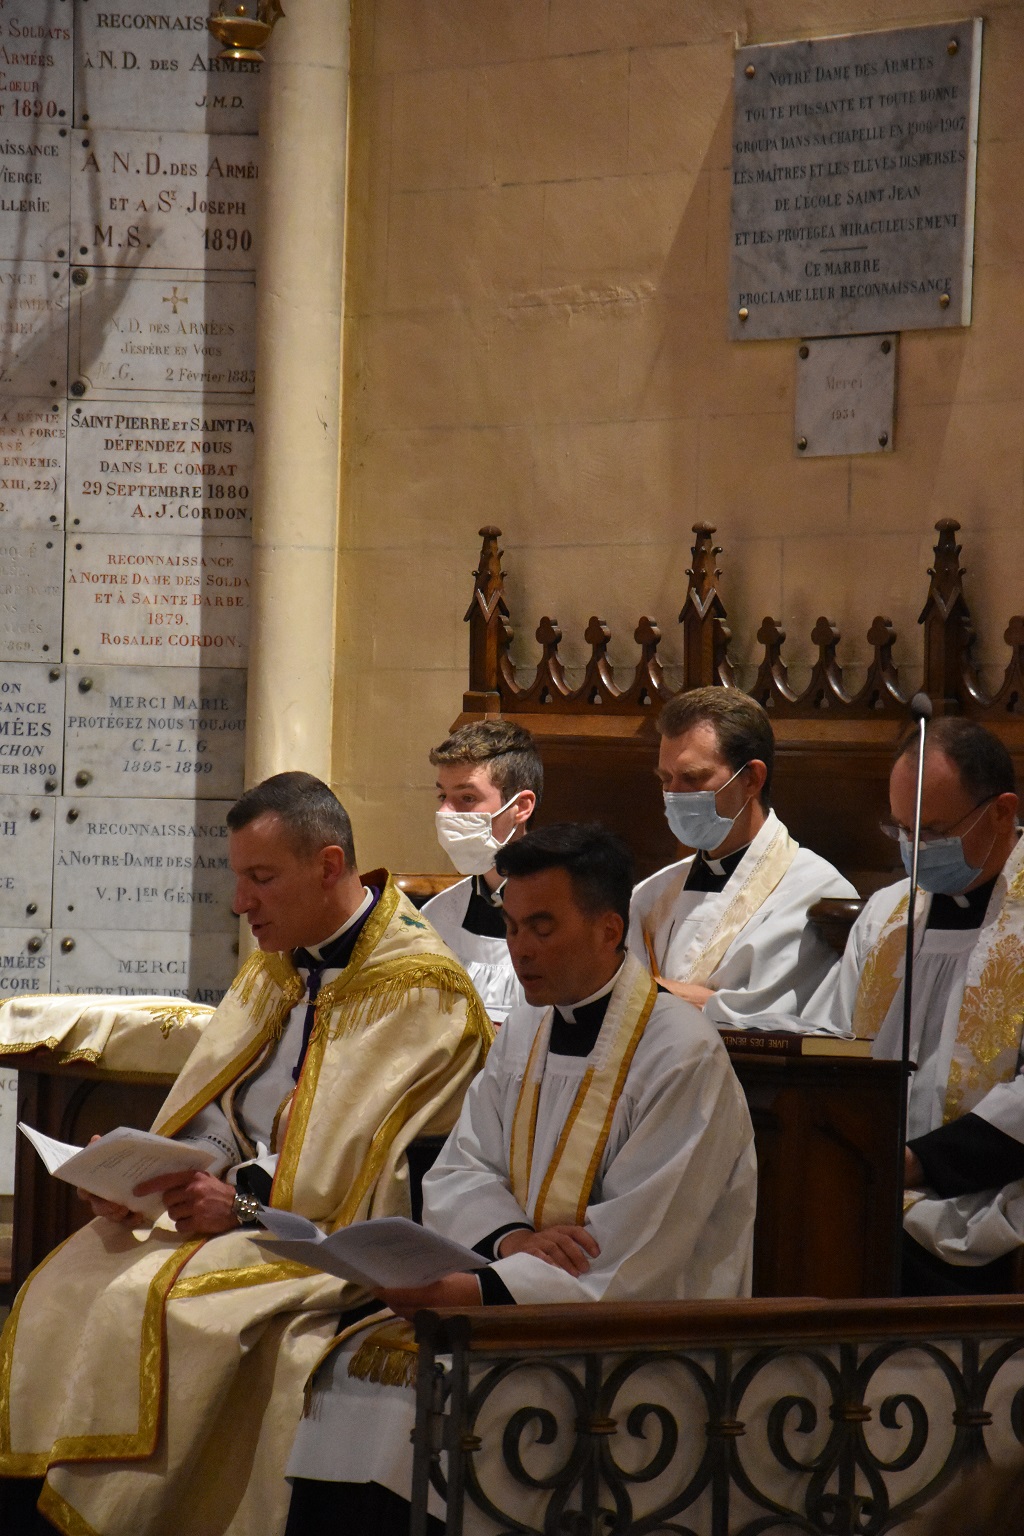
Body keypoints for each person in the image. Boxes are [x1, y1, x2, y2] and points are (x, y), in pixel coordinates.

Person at [0, 772, 492, 1536]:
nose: (241, 902)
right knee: (62, 1280)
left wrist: (240, 1206)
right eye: (238, 878)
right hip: (221, 1213)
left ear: (328, 866)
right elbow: (230, 1114)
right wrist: (146, 1172)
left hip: (313, 1244)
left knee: (143, 1305)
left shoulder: (421, 994)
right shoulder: (276, 963)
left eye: (261, 878)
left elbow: (358, 1186)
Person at [284, 822, 756, 1532]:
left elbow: (640, 1247)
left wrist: (477, 1291)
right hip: (525, 1299)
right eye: (511, 926)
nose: (520, 948)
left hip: (640, 1354)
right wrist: (509, 1241)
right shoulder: (529, 1031)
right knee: (347, 1373)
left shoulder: (680, 1055)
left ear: (609, 929)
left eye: (542, 926)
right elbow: (465, 1163)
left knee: (424, 1401)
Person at [804, 717, 1024, 1295]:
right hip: (871, 1180)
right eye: (902, 830)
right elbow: (832, 1041)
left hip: (991, 1198)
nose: (915, 850)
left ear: (1002, 812)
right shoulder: (886, 915)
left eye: (934, 831)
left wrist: (915, 1162)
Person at [628, 686, 857, 1027]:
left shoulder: (816, 894)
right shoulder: (649, 895)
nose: (674, 795)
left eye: (692, 778)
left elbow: (778, 1021)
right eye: (666, 780)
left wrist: (652, 998)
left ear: (751, 779)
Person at [423, 719, 542, 1023]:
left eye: (467, 798)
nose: (445, 813)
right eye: (443, 796)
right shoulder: (436, 917)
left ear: (521, 807)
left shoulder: (569, 913)